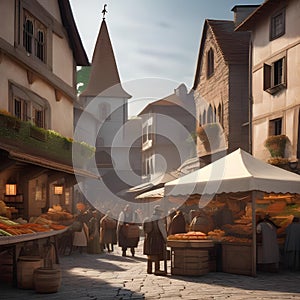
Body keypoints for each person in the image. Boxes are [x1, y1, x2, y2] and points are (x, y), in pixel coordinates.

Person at [143, 205, 167, 275]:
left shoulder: (149, 218)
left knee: (150, 254)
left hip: (149, 239)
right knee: (157, 254)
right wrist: (166, 239)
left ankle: (149, 269)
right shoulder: (159, 220)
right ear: (159, 212)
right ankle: (157, 269)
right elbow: (162, 230)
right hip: (157, 239)